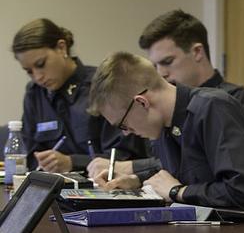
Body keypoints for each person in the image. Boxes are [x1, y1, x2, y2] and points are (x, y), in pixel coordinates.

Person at [87, 10, 244, 180]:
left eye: (167, 62)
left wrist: (135, 169)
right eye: (155, 66)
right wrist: (138, 179)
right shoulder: (164, 110)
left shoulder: (232, 100)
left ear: (197, 52)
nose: (161, 73)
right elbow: (170, 170)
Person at [87, 52, 244, 212]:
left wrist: (178, 192)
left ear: (142, 102)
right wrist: (136, 180)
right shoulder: (163, 127)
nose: (127, 133)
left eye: (123, 124)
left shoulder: (212, 109)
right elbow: (183, 173)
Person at [12, 18, 147, 173]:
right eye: (29, 71)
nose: (37, 77)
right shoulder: (34, 94)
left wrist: (73, 162)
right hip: (52, 188)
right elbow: (27, 154)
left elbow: (126, 157)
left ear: (61, 48)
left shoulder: (105, 85)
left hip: (104, 188)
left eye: (41, 64)